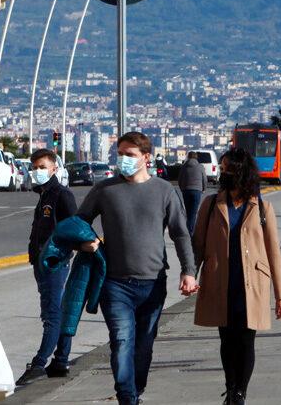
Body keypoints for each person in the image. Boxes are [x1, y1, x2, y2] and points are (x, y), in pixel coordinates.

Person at [76, 131, 197, 405]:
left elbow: (180, 233)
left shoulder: (164, 191)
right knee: (121, 340)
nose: (123, 159)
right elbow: (80, 221)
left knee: (143, 346)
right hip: (114, 283)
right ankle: (127, 397)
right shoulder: (104, 189)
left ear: (145, 158)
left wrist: (188, 271)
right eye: (120, 154)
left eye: (129, 155)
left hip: (153, 283)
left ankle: (136, 389)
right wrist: (88, 241)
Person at [193, 148, 281, 405]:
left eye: (229, 169)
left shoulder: (262, 208)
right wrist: (190, 274)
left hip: (252, 284)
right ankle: (230, 384)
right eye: (222, 169)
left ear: (242, 172)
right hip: (220, 281)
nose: (224, 174)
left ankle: (240, 392)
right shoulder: (211, 204)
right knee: (226, 338)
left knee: (246, 338)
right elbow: (198, 245)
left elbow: (273, 253)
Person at [16, 149, 79, 386]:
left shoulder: (61, 195)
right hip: (41, 263)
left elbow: (75, 226)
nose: (37, 171)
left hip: (54, 263)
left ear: (54, 169)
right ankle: (61, 361)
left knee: (52, 315)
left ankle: (39, 363)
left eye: (42, 167)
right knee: (58, 314)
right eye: (34, 167)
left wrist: (62, 253)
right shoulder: (43, 195)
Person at [179, 154, 208, 235]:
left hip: (186, 190)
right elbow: (204, 179)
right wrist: (204, 189)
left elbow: (180, 179)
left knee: (188, 212)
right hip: (196, 190)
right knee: (193, 212)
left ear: (188, 157)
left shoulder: (184, 167)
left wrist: (182, 188)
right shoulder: (200, 167)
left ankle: (187, 228)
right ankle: (190, 231)